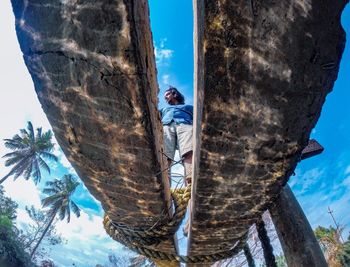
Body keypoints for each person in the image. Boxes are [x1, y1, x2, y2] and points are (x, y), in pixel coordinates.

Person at [160, 86, 193, 185]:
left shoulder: (188, 107)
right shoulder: (164, 109)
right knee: (165, 155)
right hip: (166, 127)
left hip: (185, 125)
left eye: (167, 95)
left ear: (174, 94)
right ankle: (165, 185)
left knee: (188, 151)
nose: (165, 98)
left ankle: (190, 181)